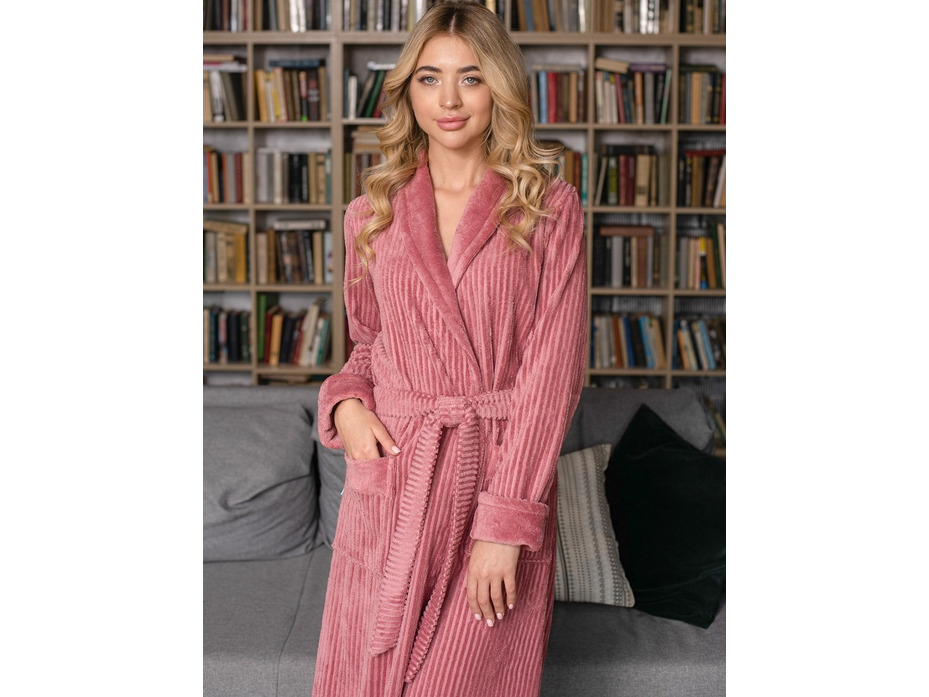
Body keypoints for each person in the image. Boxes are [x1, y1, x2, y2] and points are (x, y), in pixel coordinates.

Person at [312, 2, 587, 695]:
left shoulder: (548, 208)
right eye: (430, 78)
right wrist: (346, 405)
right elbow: (368, 345)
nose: (450, 99)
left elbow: (552, 376)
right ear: (408, 91)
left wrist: (505, 523)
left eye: (471, 77)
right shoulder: (370, 213)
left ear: (499, 87)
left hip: (493, 478)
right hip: (394, 479)